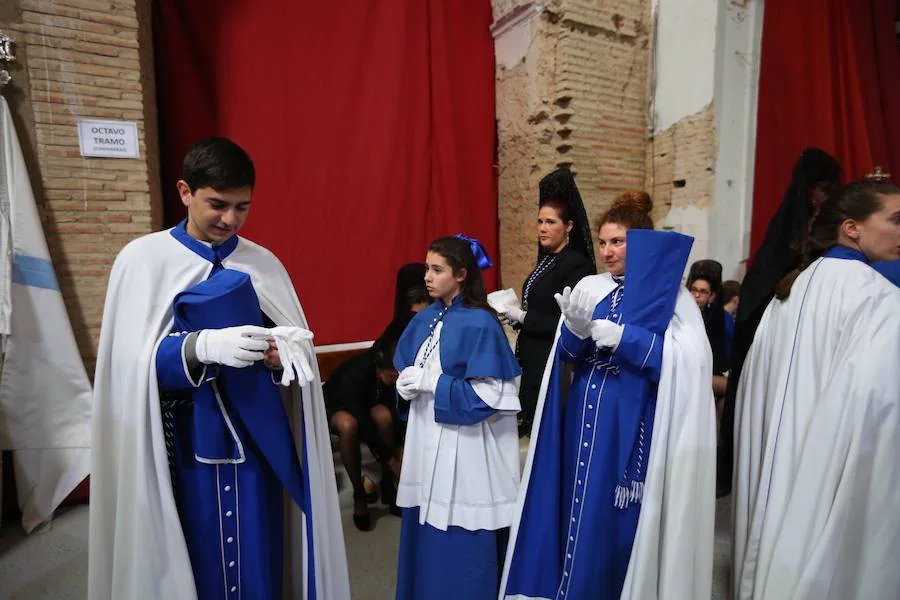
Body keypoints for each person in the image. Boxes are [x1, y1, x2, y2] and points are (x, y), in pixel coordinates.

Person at [88, 137, 350, 599]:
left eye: (242, 207)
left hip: (258, 448)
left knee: (261, 557)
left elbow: (296, 356)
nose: (230, 220)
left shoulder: (263, 263)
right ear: (185, 192)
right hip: (181, 450)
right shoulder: (142, 260)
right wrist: (197, 347)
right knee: (191, 561)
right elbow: (128, 367)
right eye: (217, 204)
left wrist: (280, 356)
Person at [501, 192, 716, 600]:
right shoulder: (592, 287)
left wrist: (626, 340)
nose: (607, 251)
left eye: (618, 242)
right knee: (574, 505)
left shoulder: (670, 296)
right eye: (602, 242)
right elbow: (564, 359)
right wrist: (576, 332)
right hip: (581, 413)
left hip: (628, 426)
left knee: (609, 517)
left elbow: (689, 362)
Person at [732, 180, 900, 599]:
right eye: (896, 220)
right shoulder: (878, 297)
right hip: (824, 487)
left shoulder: (789, 291)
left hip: (771, 487)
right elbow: (877, 410)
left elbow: (754, 392)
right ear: (852, 228)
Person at [393, 235, 522, 600]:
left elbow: (490, 396)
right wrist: (404, 388)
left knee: (461, 533)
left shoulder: (480, 323)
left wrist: (433, 382)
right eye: (427, 269)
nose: (428, 278)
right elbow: (408, 365)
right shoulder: (428, 317)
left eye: (437, 270)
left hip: (464, 447)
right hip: (427, 438)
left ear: (462, 274)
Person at [720, 148, 841, 496]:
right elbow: (760, 291)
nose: (821, 197)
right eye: (817, 188)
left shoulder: (836, 231)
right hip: (777, 342)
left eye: (828, 188)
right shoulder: (786, 231)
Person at [500, 168, 596, 436]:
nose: (543, 228)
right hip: (532, 357)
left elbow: (570, 323)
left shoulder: (576, 265)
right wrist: (517, 318)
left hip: (553, 362)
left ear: (568, 226)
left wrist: (525, 318)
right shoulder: (547, 259)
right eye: (540, 221)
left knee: (546, 433)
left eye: (551, 222)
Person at [324, 318, 407, 531]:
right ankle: (358, 493)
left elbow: (395, 412)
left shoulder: (388, 376)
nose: (397, 379)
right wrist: (390, 459)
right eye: (393, 375)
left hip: (366, 404)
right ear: (381, 368)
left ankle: (388, 485)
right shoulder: (357, 373)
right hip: (336, 407)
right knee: (349, 425)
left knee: (384, 416)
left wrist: (398, 450)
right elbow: (361, 421)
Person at [687, 260, 730, 397]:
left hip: (709, 373)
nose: (697, 295)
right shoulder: (680, 316)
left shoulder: (719, 317)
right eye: (693, 290)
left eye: (703, 292)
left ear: (712, 296)